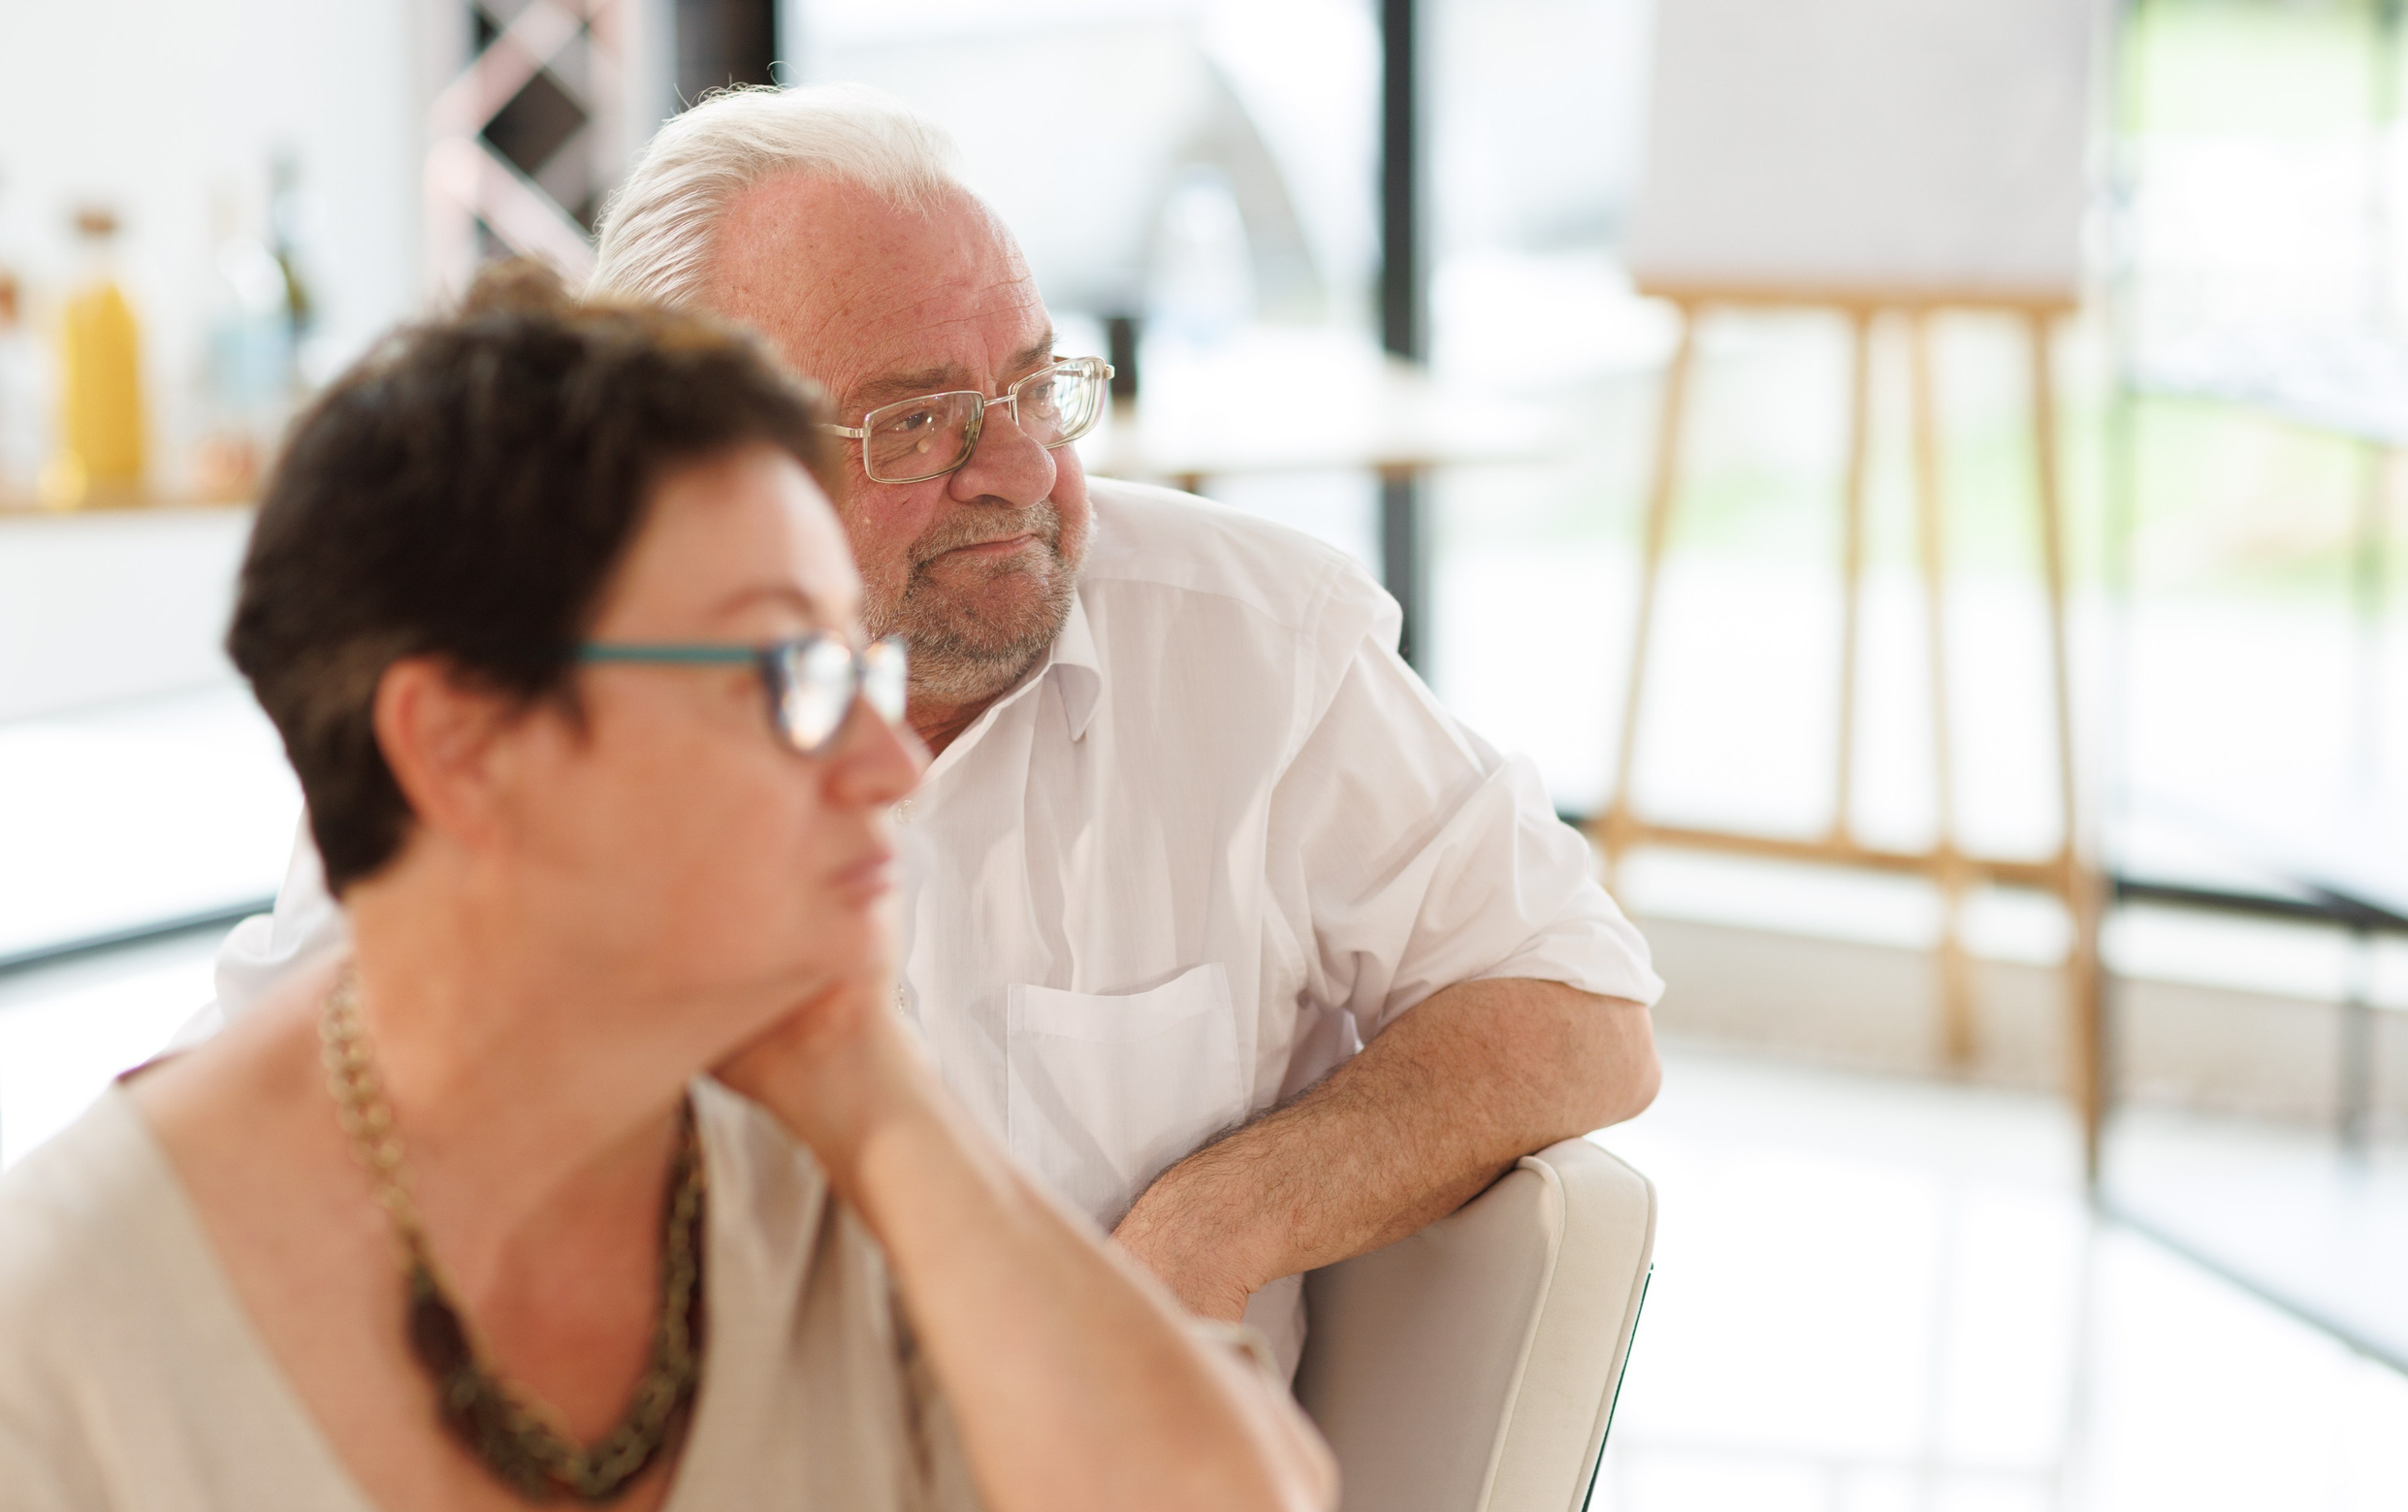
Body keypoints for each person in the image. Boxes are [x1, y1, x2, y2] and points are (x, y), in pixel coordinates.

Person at [0, 284, 1332, 1512]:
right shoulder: (32, 1372)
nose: (886, 763)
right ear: (460, 747)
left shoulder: (819, 1176)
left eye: (859, 671)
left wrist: (874, 1094)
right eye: (787, 677)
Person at [202, 82, 1665, 1376]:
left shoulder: (1249, 644)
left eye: (1035, 384)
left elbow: (1579, 1007)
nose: (1022, 469)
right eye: (913, 423)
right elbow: (252, 1153)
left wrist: (1209, 1228)